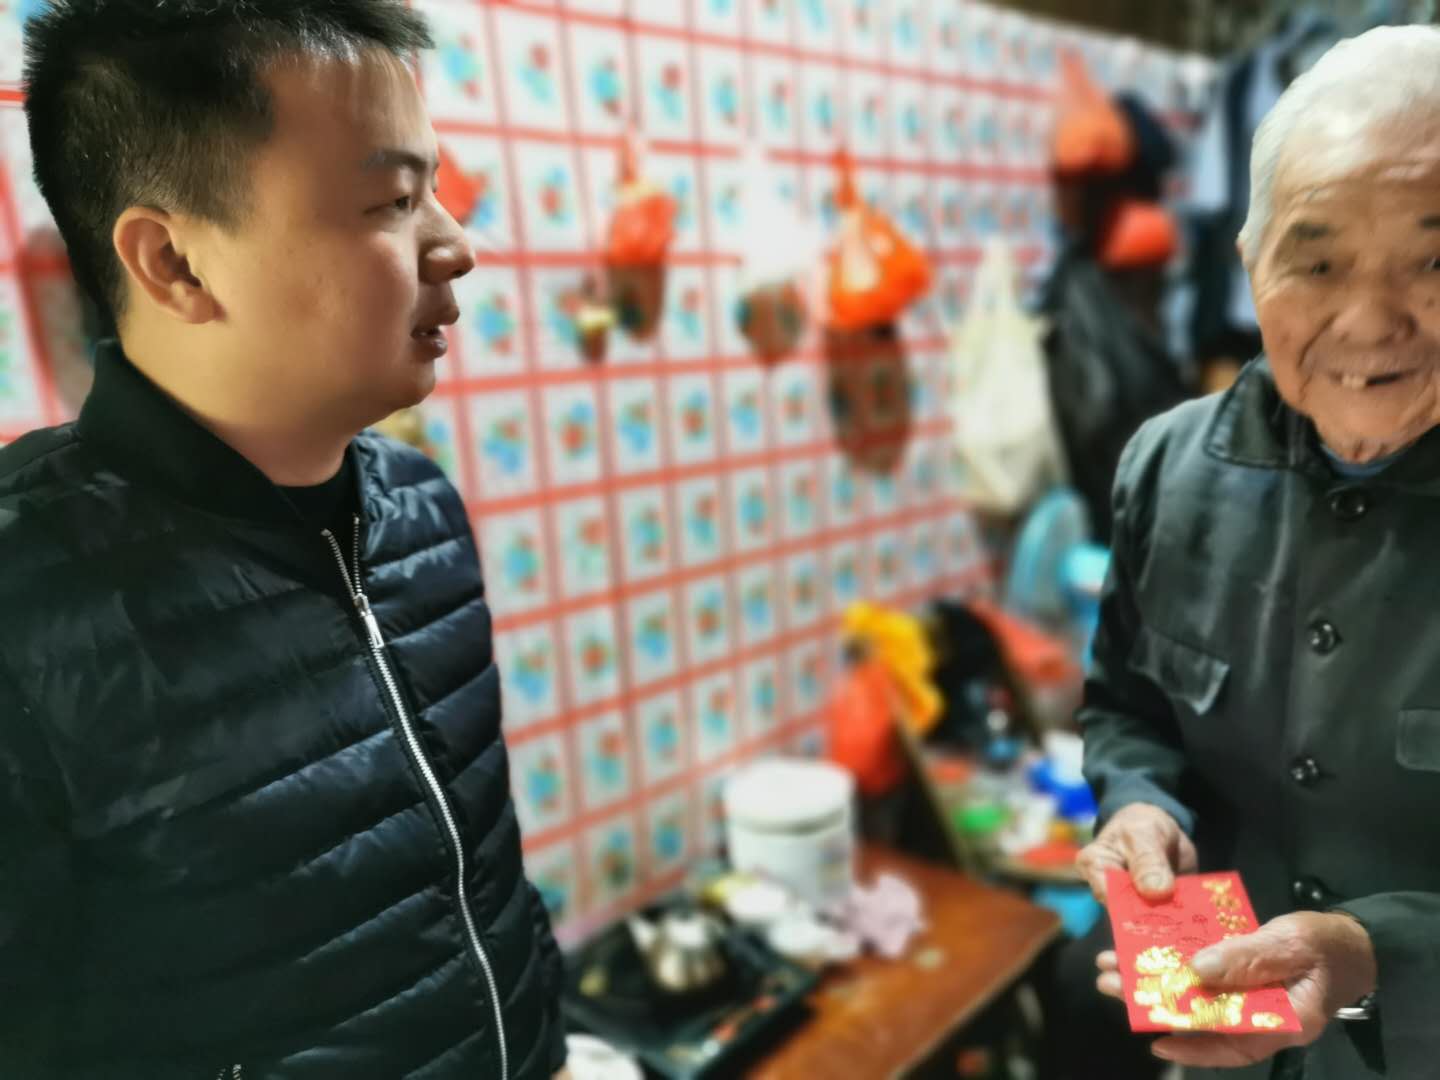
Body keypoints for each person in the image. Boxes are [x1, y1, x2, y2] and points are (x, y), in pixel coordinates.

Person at [0, 2, 569, 1076]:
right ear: (174, 261)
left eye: (433, 192)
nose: (457, 245)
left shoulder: (419, 507)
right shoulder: (22, 600)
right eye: (393, 200)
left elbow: (480, 874)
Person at [1075, 24, 1440, 1080]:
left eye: (1434, 258)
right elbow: (1127, 709)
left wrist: (1377, 956)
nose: (1369, 321)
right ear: (1250, 263)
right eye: (1316, 260)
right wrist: (1139, 803)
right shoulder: (1167, 467)